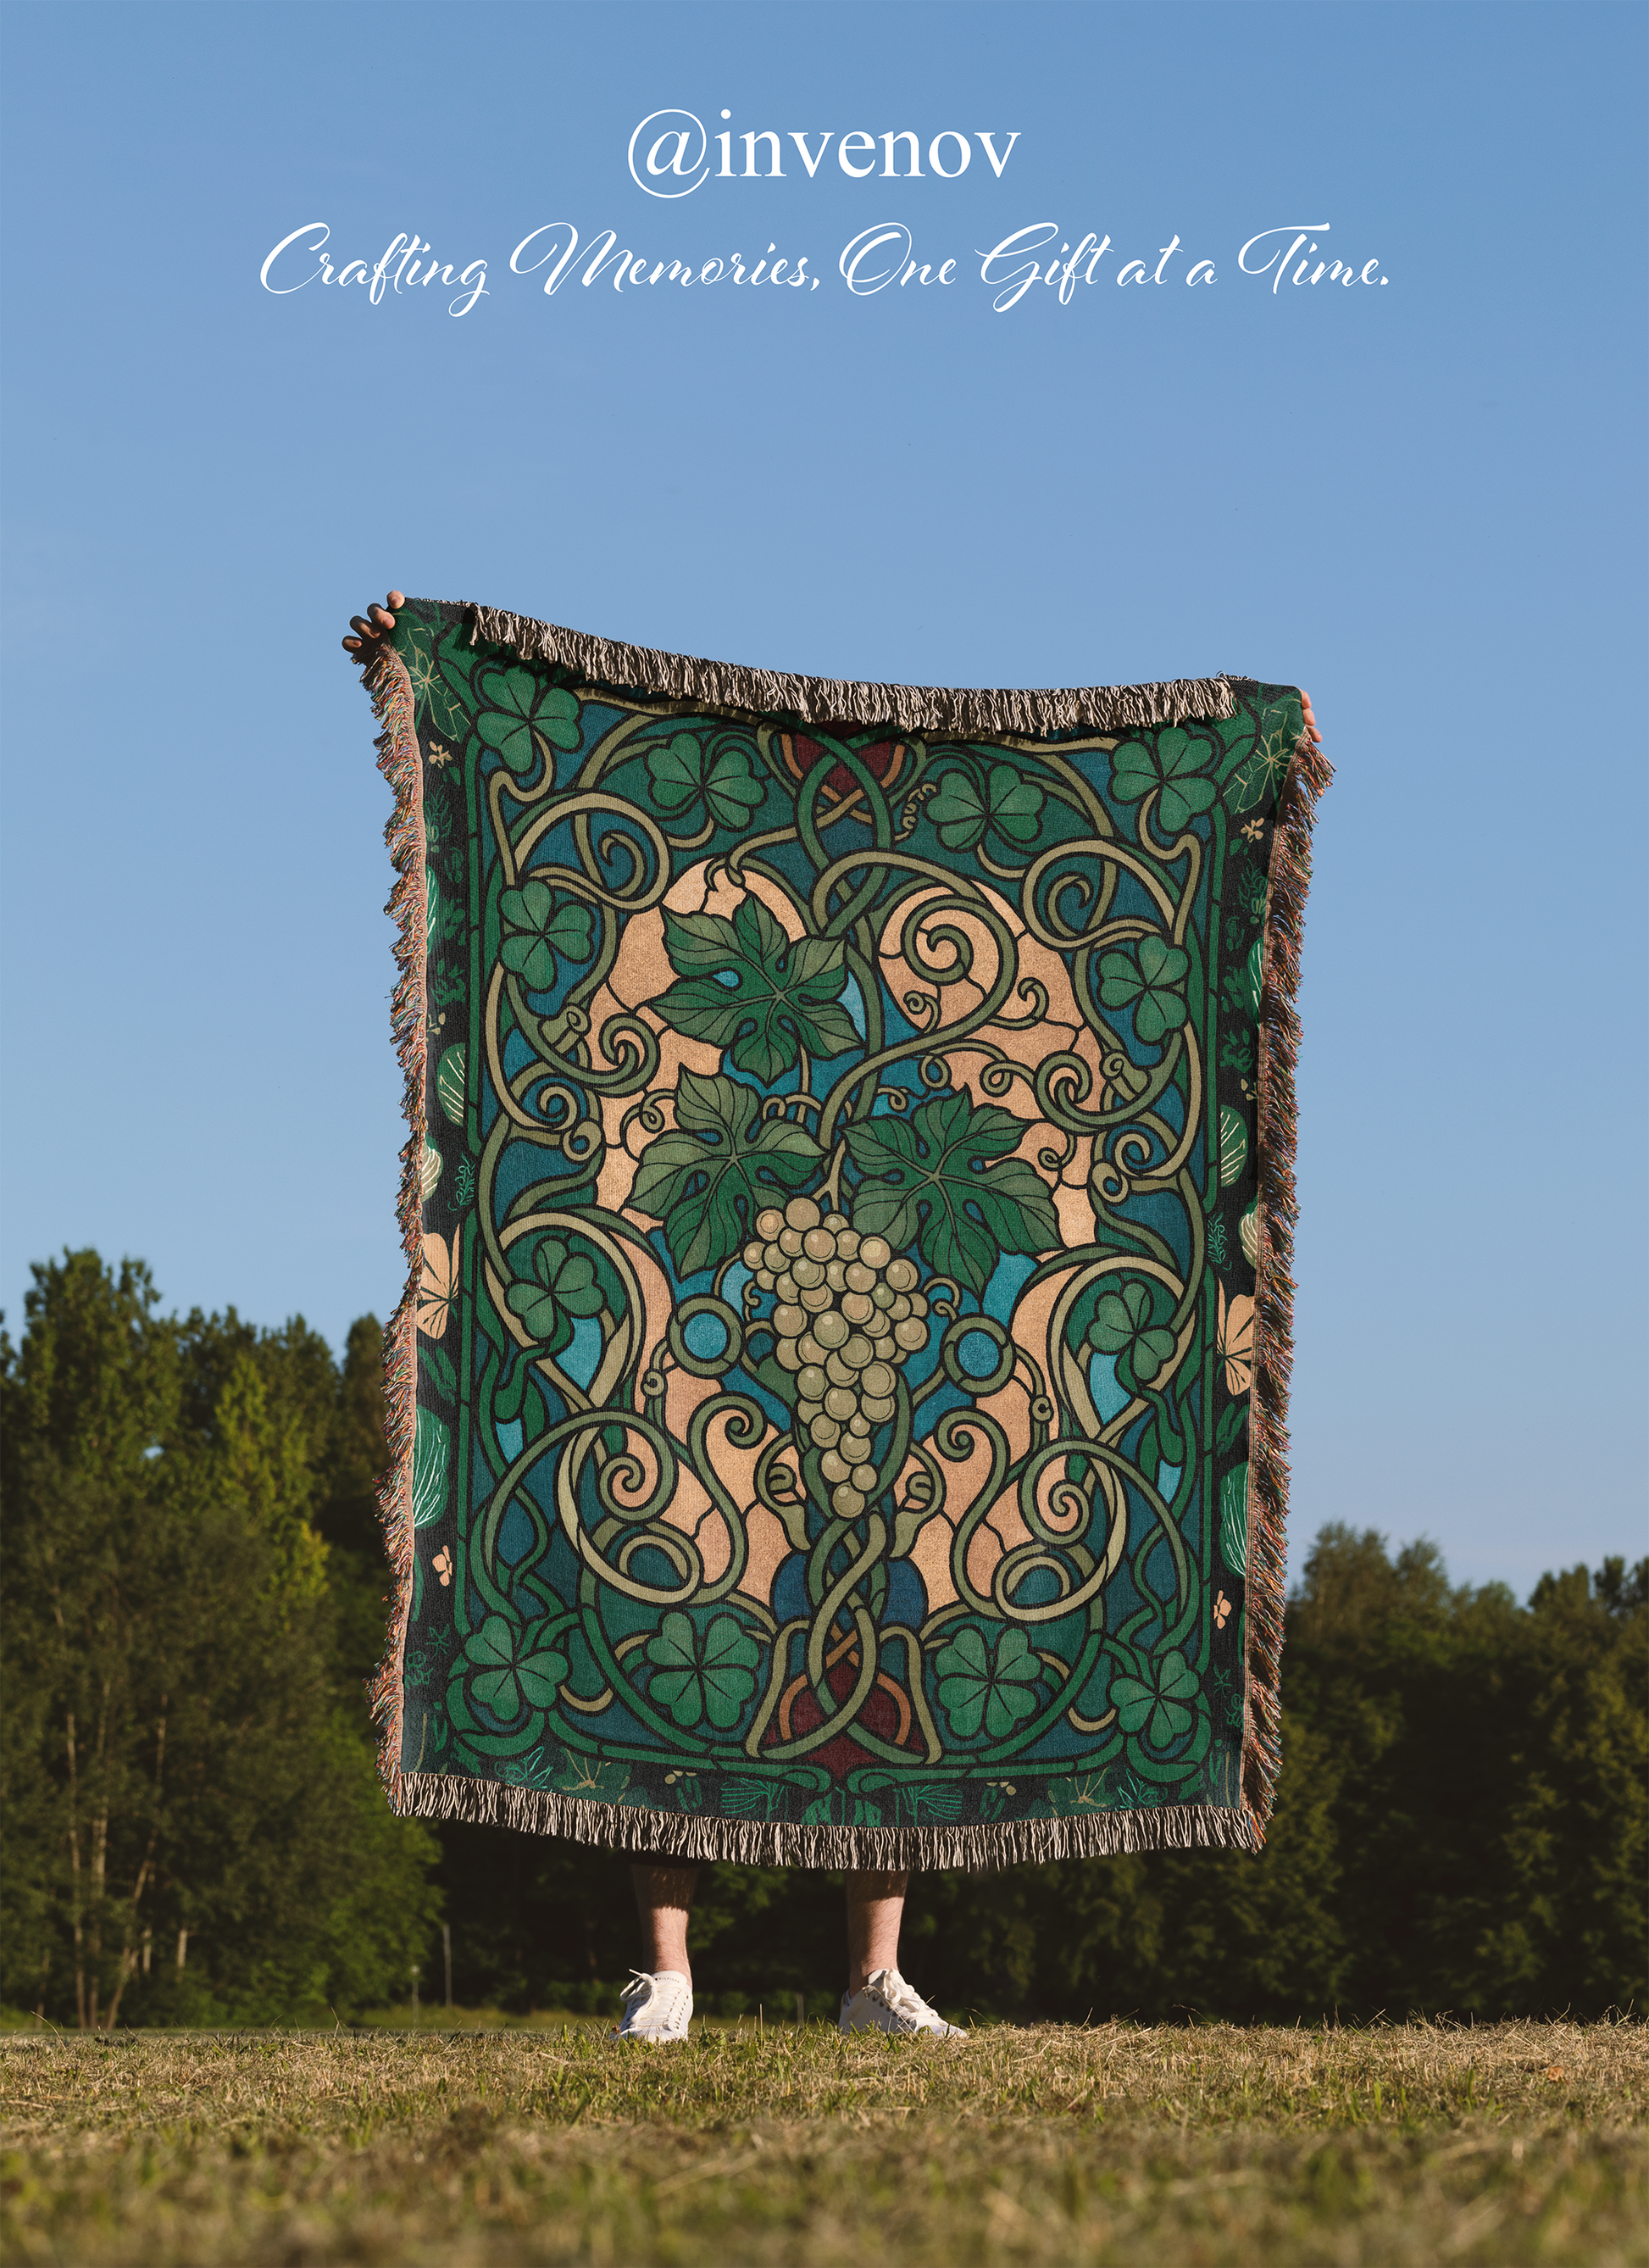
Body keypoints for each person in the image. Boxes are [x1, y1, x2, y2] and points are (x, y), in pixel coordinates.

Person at [343, 591, 1324, 2043]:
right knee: (662, 1600)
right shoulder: (746, 1115)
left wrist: (1256, 749)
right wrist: (421, 653)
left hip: (896, 1330)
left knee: (895, 1607)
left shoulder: (911, 1105)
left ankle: (872, 1979)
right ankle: (666, 1976)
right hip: (733, 1327)